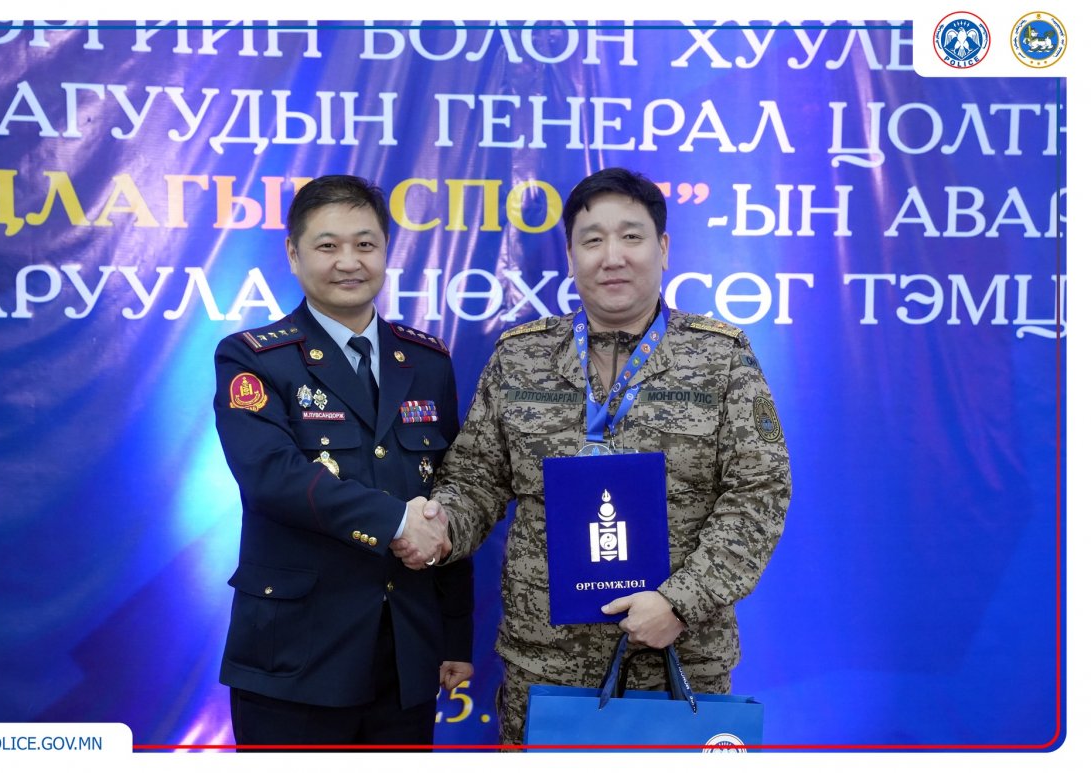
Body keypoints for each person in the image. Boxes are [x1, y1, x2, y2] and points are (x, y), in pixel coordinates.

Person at [392, 167, 791, 746]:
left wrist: (681, 601)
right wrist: (441, 526)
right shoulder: (521, 357)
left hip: (679, 663)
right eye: (593, 239)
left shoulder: (721, 357)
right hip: (545, 666)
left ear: (663, 248)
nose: (613, 257)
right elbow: (476, 478)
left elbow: (759, 493)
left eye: (631, 236)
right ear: (571, 255)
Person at [212, 174, 473, 749]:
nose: (349, 262)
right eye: (328, 245)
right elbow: (272, 477)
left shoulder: (427, 361)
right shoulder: (254, 359)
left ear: (386, 250)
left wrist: (454, 634)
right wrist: (396, 522)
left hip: (406, 653)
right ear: (293, 253)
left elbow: (450, 490)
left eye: (365, 244)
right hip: (295, 655)